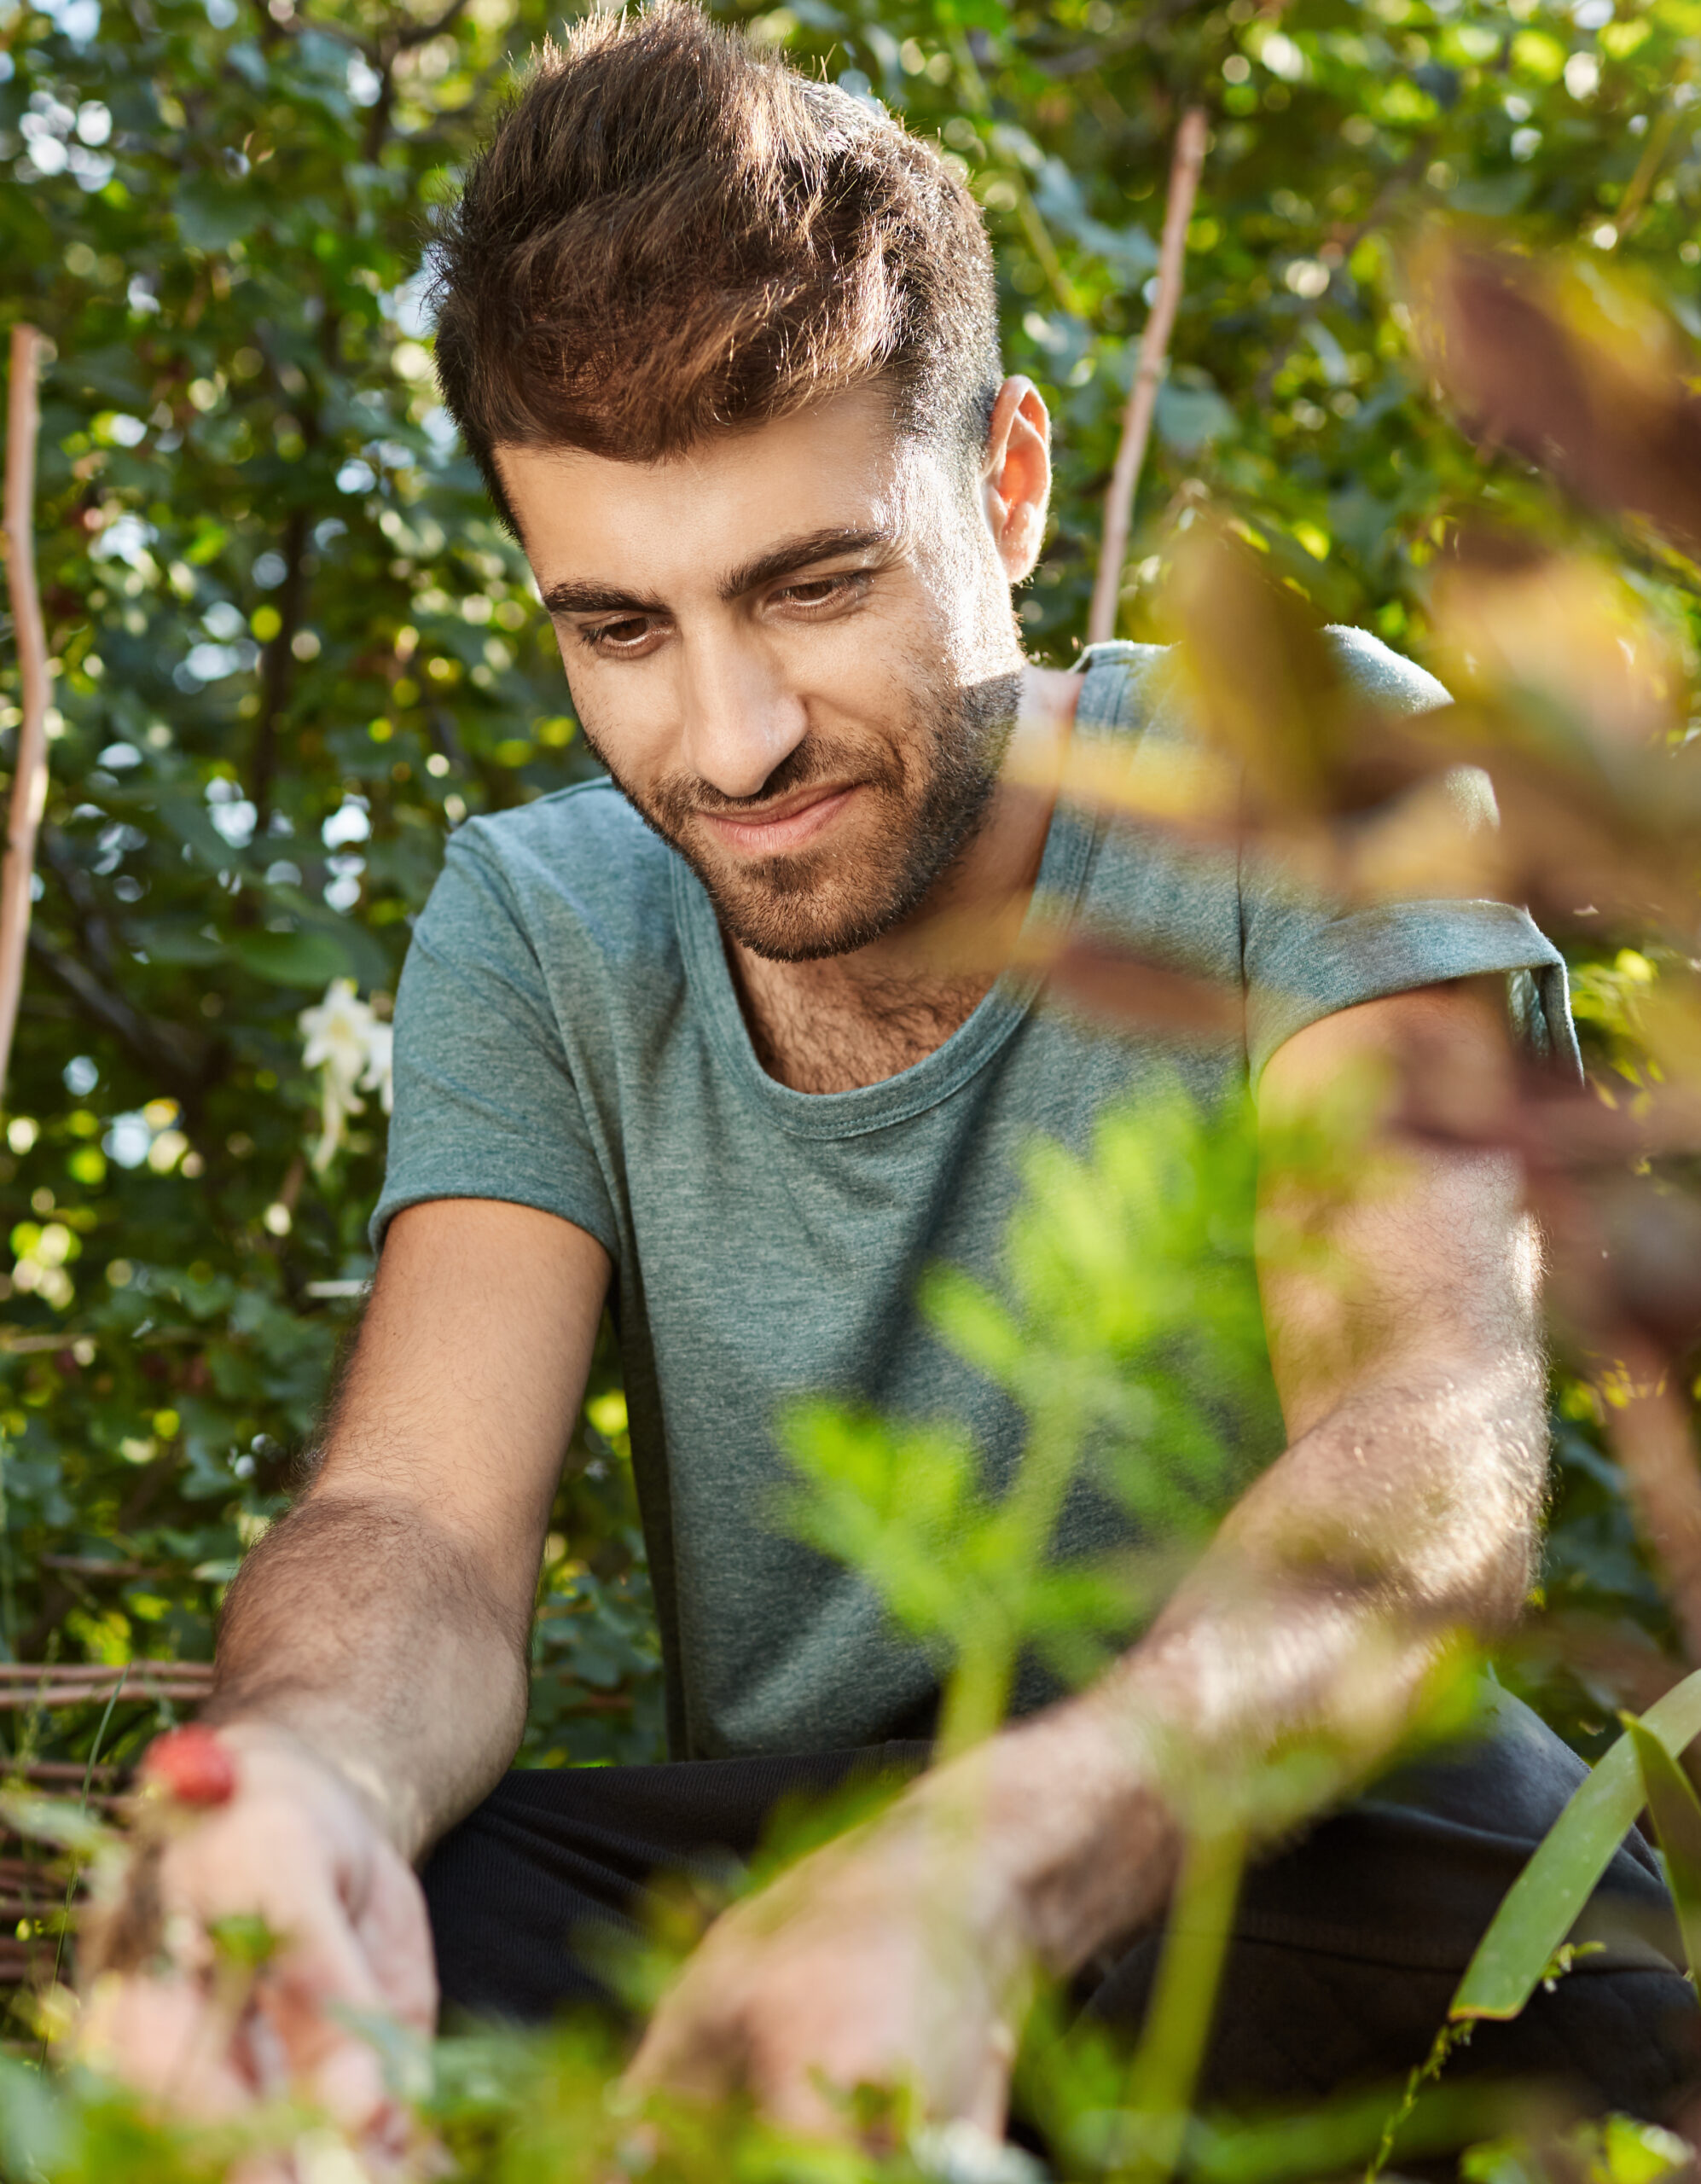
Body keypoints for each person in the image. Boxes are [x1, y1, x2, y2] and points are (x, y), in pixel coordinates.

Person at [81, 1, 1695, 2149]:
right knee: (375, 1927)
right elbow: (417, 1533)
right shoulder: (539, 919)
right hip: (785, 1867)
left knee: (1504, 1879)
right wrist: (295, 1770)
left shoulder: (1296, 759)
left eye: (812, 582)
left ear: (1005, 483)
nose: (727, 741)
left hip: (1237, 1813)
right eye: (620, 629)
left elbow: (1422, 1455)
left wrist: (998, 1860)